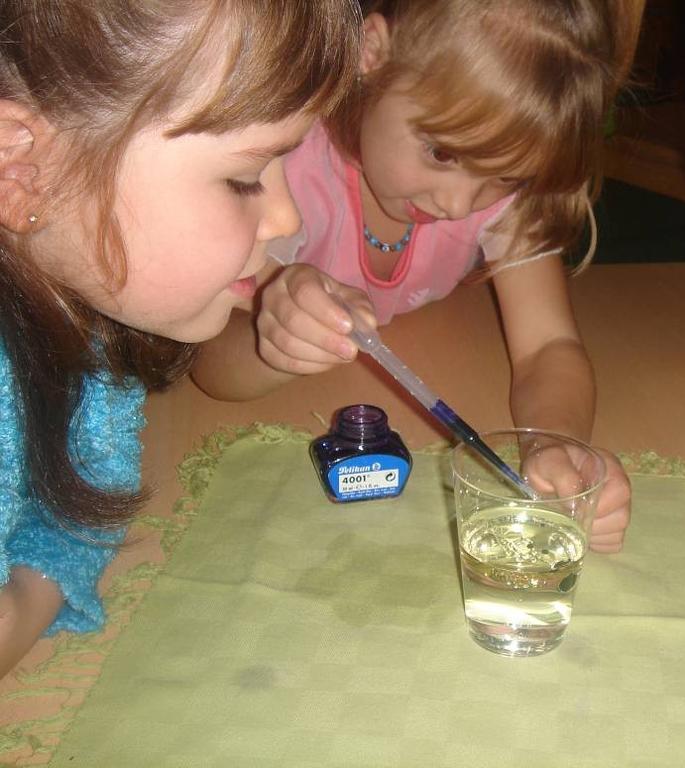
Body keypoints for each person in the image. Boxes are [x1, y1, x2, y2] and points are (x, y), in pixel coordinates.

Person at [191, 0, 644, 550]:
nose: (458, 203)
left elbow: (548, 346)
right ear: (372, 53)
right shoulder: (286, 171)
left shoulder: (501, 186)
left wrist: (554, 445)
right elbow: (209, 368)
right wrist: (275, 336)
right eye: (441, 152)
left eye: (504, 175)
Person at [0, 0, 361, 678]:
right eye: (245, 177)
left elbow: (86, 502)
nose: (287, 216)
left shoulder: (82, 316)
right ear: (22, 165)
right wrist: (33, 593)